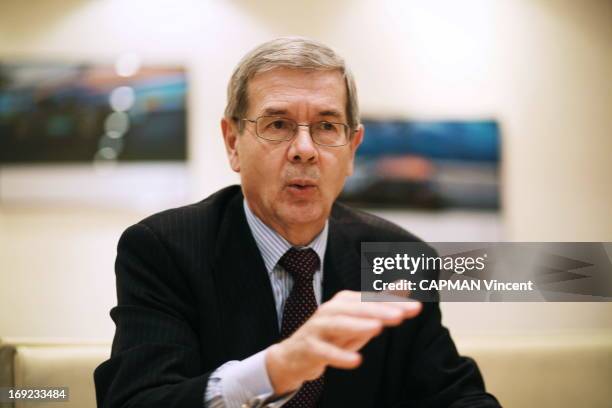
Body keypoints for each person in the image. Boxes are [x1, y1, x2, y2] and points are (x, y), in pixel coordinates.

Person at [94, 37, 500, 408]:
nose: (304, 150)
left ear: (352, 148)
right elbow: (137, 400)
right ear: (233, 143)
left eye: (326, 126)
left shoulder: (398, 257)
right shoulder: (164, 249)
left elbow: (453, 396)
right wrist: (276, 369)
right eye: (278, 124)